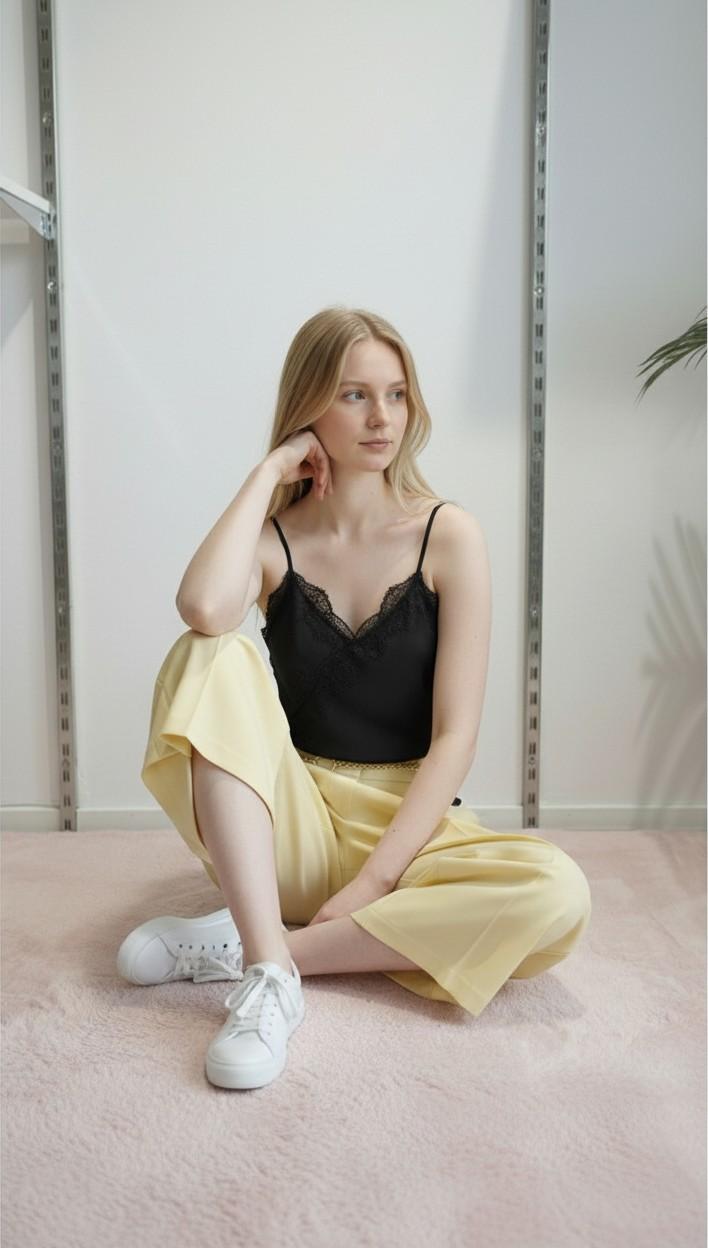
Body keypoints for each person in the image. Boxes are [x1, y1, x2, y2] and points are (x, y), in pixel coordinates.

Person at [118, 306, 592, 1091]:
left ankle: (261, 952)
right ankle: (270, 971)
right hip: (291, 825)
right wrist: (269, 472)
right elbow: (201, 607)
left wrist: (374, 881)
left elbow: (457, 737)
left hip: (409, 830)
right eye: (355, 395)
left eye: (397, 395)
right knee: (210, 651)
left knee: (557, 895)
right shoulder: (275, 541)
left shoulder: (449, 534)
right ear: (309, 406)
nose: (383, 418)